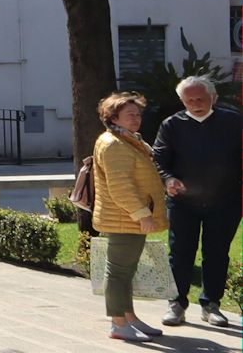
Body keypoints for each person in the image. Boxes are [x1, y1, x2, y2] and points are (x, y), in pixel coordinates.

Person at [153, 75, 242, 328]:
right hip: (183, 203)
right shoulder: (171, 125)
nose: (195, 104)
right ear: (182, 101)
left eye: (200, 98)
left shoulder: (233, 122)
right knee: (180, 253)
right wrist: (168, 179)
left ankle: (211, 304)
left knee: (216, 254)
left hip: (225, 201)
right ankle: (177, 303)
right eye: (188, 100)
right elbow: (159, 159)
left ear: (213, 97)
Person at [93, 91, 168, 342]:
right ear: (113, 117)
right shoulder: (114, 144)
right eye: (129, 115)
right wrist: (142, 214)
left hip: (128, 218)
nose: (136, 119)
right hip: (125, 218)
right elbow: (121, 186)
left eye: (138, 114)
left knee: (126, 271)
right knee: (118, 272)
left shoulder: (127, 140)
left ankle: (129, 318)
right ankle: (118, 323)